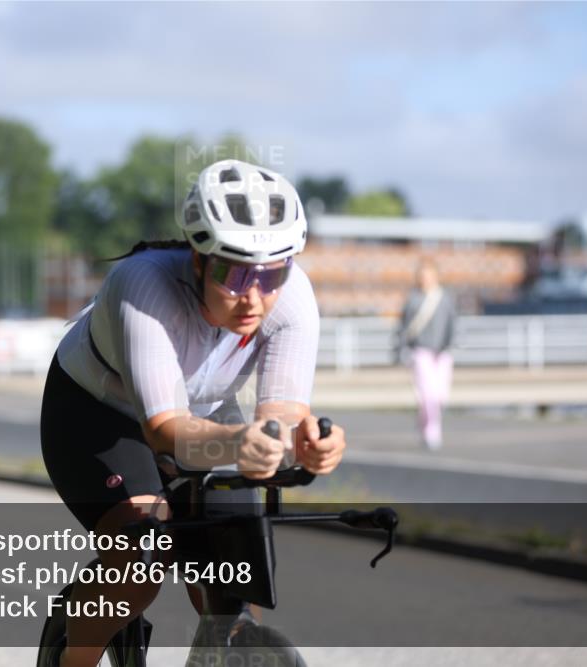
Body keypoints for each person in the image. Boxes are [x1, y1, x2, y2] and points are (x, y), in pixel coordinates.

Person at [40, 159, 347, 667]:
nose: (254, 296)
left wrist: (308, 444)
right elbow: (164, 432)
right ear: (199, 260)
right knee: (140, 564)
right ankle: (73, 652)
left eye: (273, 274)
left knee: (233, 570)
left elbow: (282, 417)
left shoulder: (292, 301)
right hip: (100, 413)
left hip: (205, 415)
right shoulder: (142, 287)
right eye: (234, 272)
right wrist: (239, 444)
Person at [393, 259, 457, 451]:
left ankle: (425, 422)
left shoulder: (445, 298)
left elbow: (452, 324)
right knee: (428, 395)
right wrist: (401, 350)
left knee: (441, 396)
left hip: (442, 353)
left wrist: (451, 346)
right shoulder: (413, 299)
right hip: (420, 352)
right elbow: (403, 327)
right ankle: (432, 433)